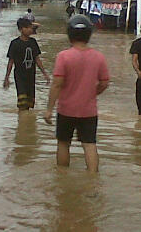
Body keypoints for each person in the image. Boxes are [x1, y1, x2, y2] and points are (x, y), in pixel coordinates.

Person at [44, 15, 110, 172]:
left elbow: (57, 84)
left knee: (63, 143)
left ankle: (62, 176)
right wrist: (91, 94)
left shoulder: (63, 56)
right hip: (89, 110)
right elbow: (104, 83)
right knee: (89, 144)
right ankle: (93, 177)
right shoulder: (98, 57)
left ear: (69, 34)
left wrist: (49, 110)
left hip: (66, 109)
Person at [4, 18, 50, 111]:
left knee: (29, 102)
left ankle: (27, 121)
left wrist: (45, 74)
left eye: (30, 27)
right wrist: (6, 78)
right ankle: (22, 120)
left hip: (31, 75)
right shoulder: (15, 43)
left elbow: (37, 59)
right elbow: (11, 61)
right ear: (21, 29)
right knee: (22, 102)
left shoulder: (33, 42)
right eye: (27, 27)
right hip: (20, 76)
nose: (30, 29)